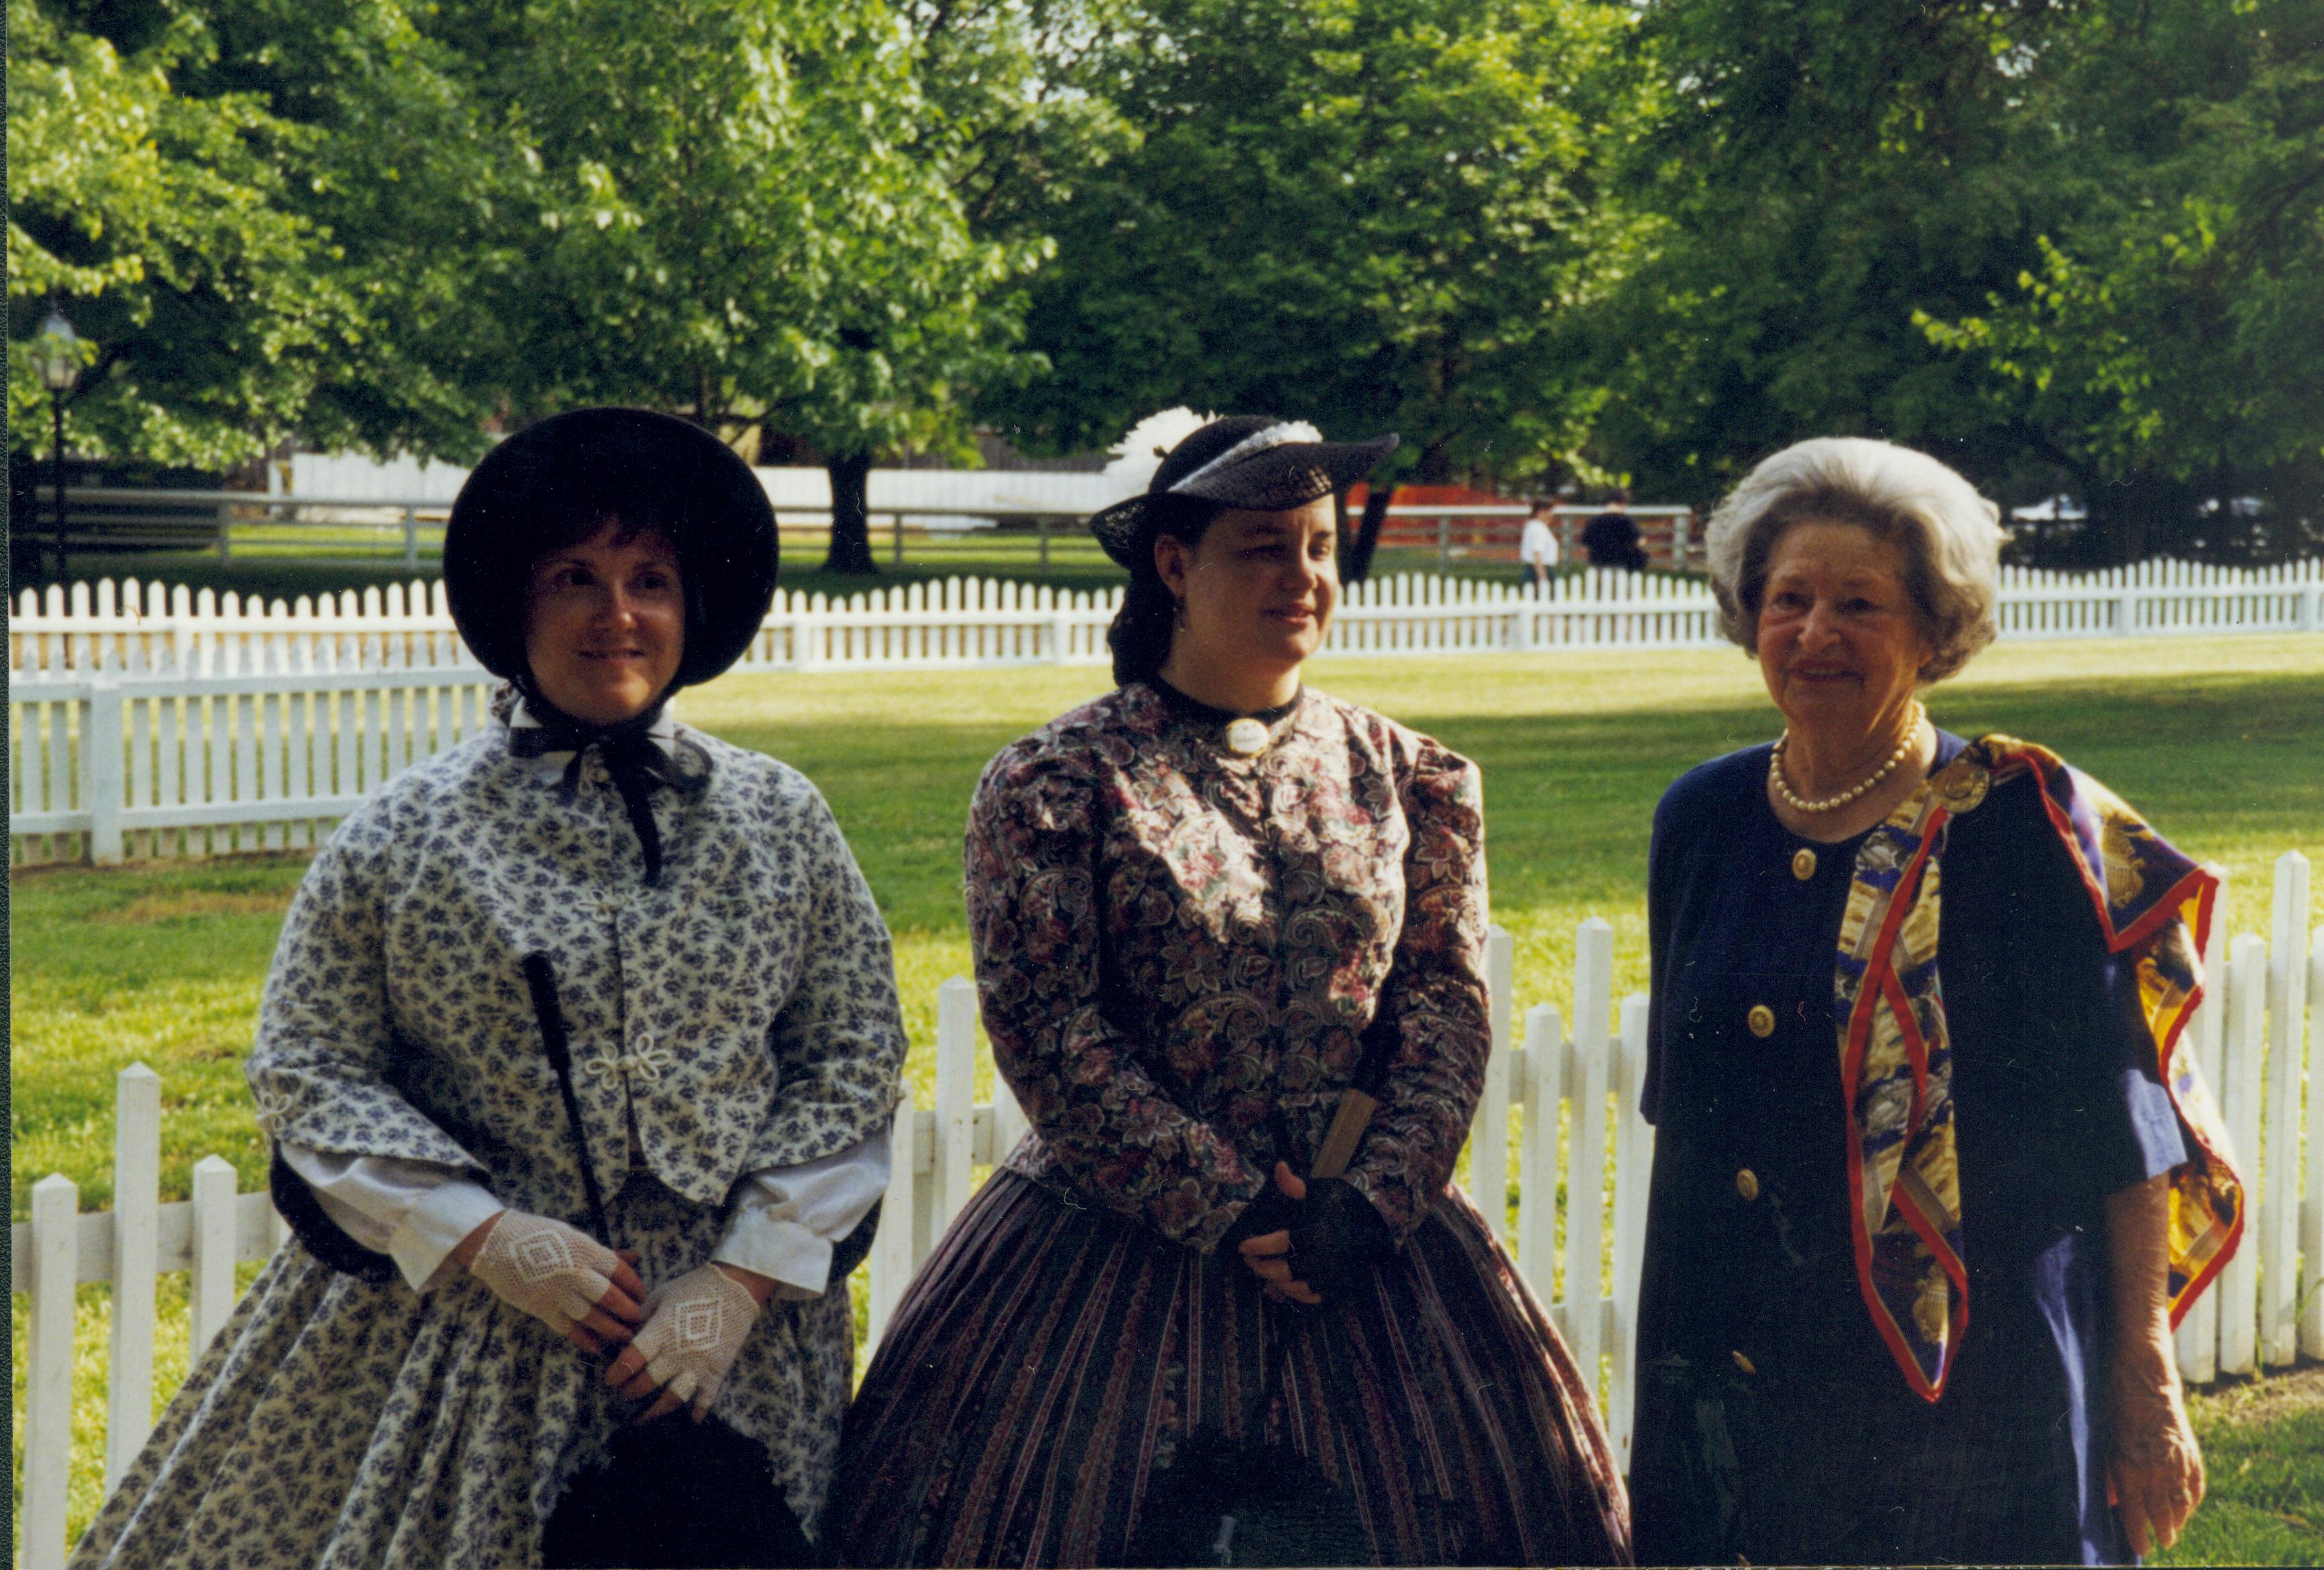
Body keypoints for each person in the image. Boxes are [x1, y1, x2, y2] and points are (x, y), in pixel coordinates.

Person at [68, 408, 907, 1570]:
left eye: (650, 579)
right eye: (576, 577)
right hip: (468, 1339)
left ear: (692, 607)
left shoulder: (781, 820)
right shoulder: (405, 833)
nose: (617, 615)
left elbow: (854, 1053)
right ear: (517, 604)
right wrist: (484, 1236)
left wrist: (741, 1277)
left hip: (726, 1355)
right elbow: (309, 1066)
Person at [828, 416, 1633, 1569]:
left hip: (1373, 1246)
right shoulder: (1061, 778)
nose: (1302, 577)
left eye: (1316, 546)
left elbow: (1445, 1011)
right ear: (1173, 565)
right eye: (1263, 546)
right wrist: (1241, 1206)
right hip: (1109, 1258)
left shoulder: (1413, 774)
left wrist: (1365, 1206)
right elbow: (1052, 1033)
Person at [1627, 437, 2244, 1567]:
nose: (1816, 633)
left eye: (1859, 603)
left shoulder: (2018, 827)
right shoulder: (1701, 818)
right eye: (1789, 599)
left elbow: (2123, 1132)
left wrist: (2144, 1384)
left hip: (1975, 1370)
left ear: (1932, 628)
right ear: (1746, 614)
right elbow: (1690, 1129)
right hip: (1745, 1360)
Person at [1577, 490, 1649, 571]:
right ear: (1624, 503)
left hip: (1597, 566)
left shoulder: (1594, 521)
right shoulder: (1627, 521)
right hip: (1621, 565)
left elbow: (1584, 546)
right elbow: (1641, 542)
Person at [1519, 498, 1561, 590]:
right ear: (1541, 512)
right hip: (1539, 570)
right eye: (1550, 512)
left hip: (1536, 569)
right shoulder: (1538, 528)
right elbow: (1537, 553)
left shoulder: (1535, 526)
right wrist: (1542, 576)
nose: (1551, 515)